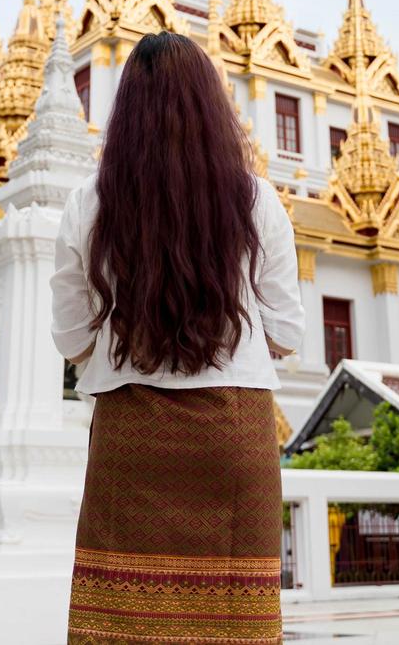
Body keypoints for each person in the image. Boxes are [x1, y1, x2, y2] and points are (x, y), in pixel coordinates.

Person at [51, 31, 304, 645]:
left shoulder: (89, 204)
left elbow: (69, 337)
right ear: (210, 106)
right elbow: (289, 330)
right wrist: (230, 344)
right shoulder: (256, 199)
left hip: (130, 434)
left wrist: (127, 341)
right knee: (233, 629)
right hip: (233, 433)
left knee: (121, 628)